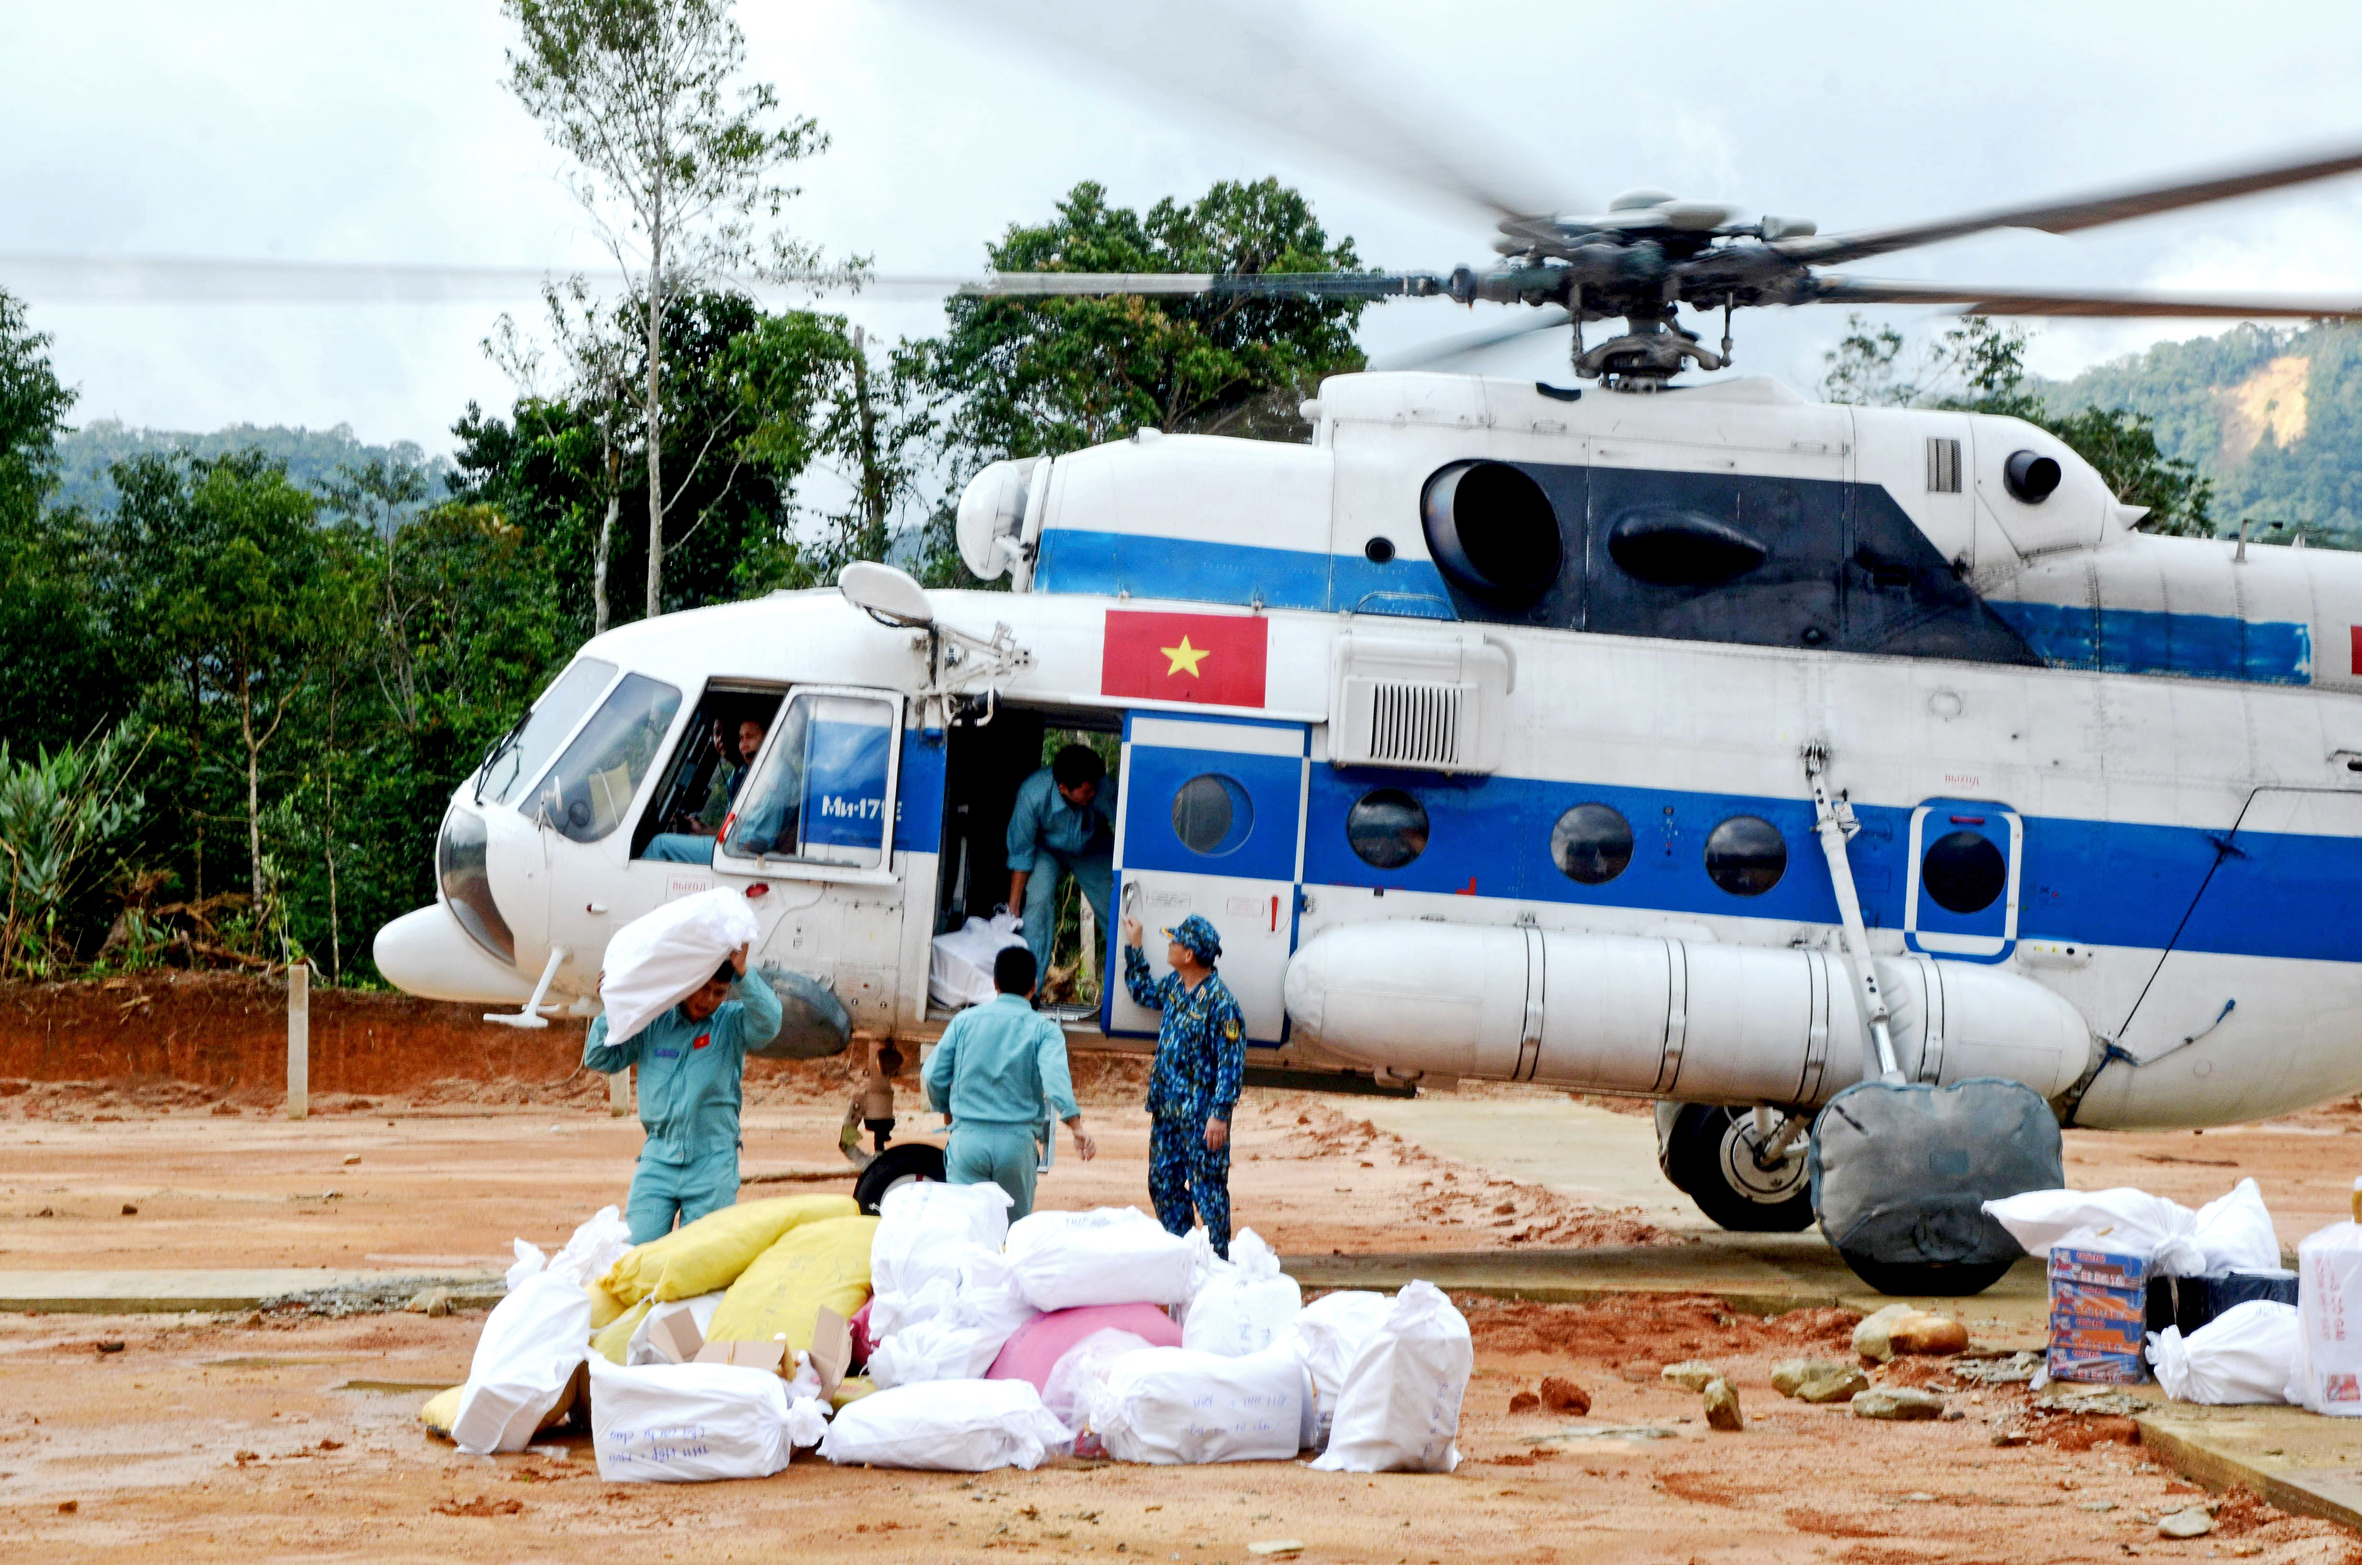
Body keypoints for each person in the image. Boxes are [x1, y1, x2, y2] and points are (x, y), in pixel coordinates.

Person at [583, 943, 782, 1243]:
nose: (709, 1000)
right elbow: (601, 1058)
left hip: (712, 1164)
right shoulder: (654, 1021)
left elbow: (769, 1023)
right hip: (657, 1160)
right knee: (637, 1253)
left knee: (700, 1260)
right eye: (703, 989)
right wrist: (613, 1007)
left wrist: (743, 972)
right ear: (688, 982)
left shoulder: (731, 1024)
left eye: (719, 992)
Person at [922, 945, 1096, 1218]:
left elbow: (932, 1075)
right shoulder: (1044, 1031)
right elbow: (1056, 1080)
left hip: (967, 1141)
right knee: (1012, 1238)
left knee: (966, 1233)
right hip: (1015, 1145)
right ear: (1034, 985)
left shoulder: (963, 1022)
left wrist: (947, 1114)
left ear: (995, 983)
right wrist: (1076, 1126)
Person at [1119, 911, 1245, 1257]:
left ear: (1188, 954)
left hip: (1201, 1117)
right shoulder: (1175, 986)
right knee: (1162, 1184)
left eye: (1174, 941)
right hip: (1167, 1110)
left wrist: (1219, 1115)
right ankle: (1183, 1253)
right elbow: (1143, 992)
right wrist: (1135, 946)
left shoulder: (1221, 1004)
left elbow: (1231, 1065)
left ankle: (1219, 1259)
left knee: (1208, 1189)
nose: (1170, 945)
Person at [1006, 744, 1114, 974]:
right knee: (1037, 904)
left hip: (1091, 846)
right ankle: (1030, 988)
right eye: (1087, 791)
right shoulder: (1032, 794)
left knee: (1115, 903)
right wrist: (1013, 906)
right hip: (1046, 850)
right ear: (1063, 788)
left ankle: (1127, 982)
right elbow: (1021, 852)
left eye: (1095, 788)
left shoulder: (1100, 787)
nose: (1093, 794)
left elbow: (1129, 826)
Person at [644, 715, 769, 863]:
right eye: (716, 734)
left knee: (659, 845)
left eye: (726, 733)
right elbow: (732, 830)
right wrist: (702, 829)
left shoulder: (761, 777)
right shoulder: (736, 777)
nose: (720, 740)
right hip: (737, 846)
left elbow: (745, 838)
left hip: (744, 854)